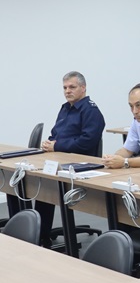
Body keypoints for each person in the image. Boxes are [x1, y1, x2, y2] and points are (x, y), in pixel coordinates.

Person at [37, 71, 107, 247]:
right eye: (65, 88)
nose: (67, 91)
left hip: (83, 165)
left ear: (83, 88)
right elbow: (56, 134)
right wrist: (50, 143)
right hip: (62, 159)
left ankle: (42, 233)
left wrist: (57, 145)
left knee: (47, 182)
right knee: (41, 182)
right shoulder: (65, 108)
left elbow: (86, 143)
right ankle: (40, 233)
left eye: (72, 87)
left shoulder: (90, 110)